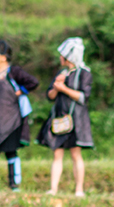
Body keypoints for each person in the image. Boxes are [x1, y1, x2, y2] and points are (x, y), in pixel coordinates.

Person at [0, 39, 39, 191]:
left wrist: (21, 91)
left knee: (11, 152)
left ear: (4, 57)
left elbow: (33, 82)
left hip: (11, 123)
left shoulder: (14, 72)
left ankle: (14, 185)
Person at [39, 37, 94, 196]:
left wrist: (64, 88)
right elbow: (50, 95)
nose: (60, 58)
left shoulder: (84, 73)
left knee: (76, 153)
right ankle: (53, 188)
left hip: (76, 119)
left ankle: (79, 189)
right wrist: (57, 87)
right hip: (59, 117)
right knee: (57, 153)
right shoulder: (61, 73)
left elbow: (83, 97)